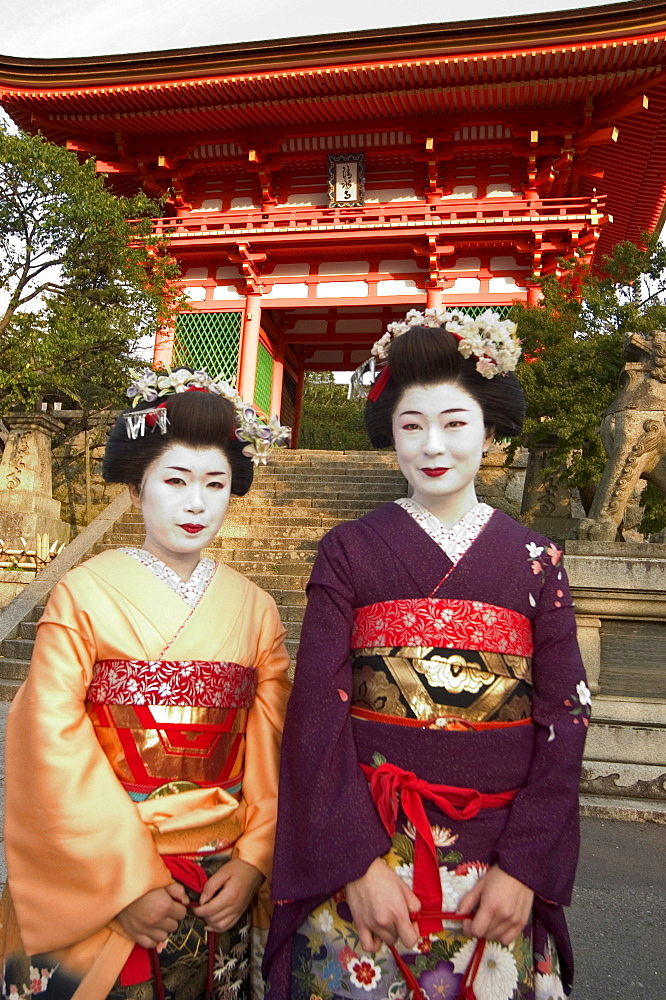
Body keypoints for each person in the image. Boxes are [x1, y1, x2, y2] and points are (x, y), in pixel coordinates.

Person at [264, 310, 590, 1000]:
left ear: (490, 429)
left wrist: (525, 867)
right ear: (391, 433)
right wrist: (356, 863)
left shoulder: (537, 561)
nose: (433, 445)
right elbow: (318, 714)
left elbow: (565, 718)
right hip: (370, 859)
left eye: (455, 422)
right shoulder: (348, 550)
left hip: (497, 872)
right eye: (412, 425)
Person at [1, 369, 292, 1000]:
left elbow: (269, 756)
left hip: (220, 880)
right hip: (104, 869)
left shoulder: (256, 609)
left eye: (215, 484)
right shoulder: (84, 592)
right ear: (136, 490)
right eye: (175, 481)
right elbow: (47, 738)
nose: (196, 503)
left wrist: (253, 862)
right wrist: (124, 880)